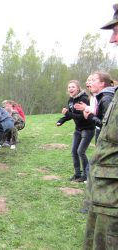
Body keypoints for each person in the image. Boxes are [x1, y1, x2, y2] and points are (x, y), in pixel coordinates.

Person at [83, 6, 118, 249]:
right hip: (106, 195)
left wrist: (88, 115)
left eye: (116, 30)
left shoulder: (105, 97)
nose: (112, 38)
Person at [56, 80, 95, 182]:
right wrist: (62, 120)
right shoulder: (70, 100)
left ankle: (86, 175)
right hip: (78, 129)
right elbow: (71, 114)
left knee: (80, 151)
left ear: (78, 88)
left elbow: (83, 117)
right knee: (74, 151)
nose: (70, 89)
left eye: (73, 87)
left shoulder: (84, 99)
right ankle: (77, 174)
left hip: (88, 129)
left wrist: (68, 114)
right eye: (69, 87)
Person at [78, 71, 115, 142]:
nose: (90, 83)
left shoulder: (106, 99)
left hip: (107, 139)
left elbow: (107, 126)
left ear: (102, 83)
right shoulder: (103, 97)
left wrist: (90, 116)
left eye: (93, 80)